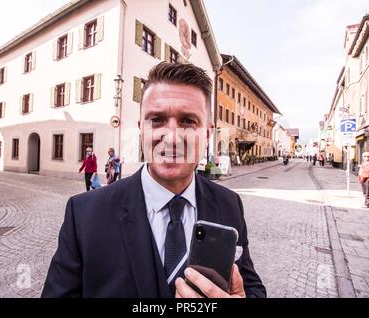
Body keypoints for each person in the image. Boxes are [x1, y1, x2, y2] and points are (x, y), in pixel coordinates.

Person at [42, 62, 266, 298]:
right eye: (157, 119)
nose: (171, 137)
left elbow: (252, 287)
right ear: (141, 129)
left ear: (208, 134)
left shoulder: (229, 204)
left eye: (188, 121)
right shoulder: (85, 214)